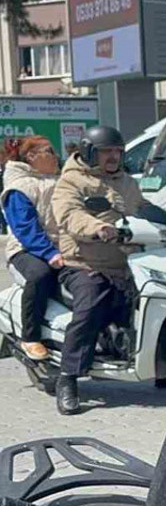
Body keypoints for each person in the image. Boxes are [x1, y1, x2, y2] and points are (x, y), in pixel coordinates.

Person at [51, 126, 146, 415]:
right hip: (84, 264)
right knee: (89, 308)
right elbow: (69, 215)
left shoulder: (127, 182)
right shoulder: (71, 182)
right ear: (90, 152)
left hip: (124, 263)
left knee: (152, 299)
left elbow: (143, 208)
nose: (114, 156)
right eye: (107, 151)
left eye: (118, 151)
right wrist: (98, 228)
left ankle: (163, 366)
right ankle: (67, 379)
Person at [1, 136, 64, 361]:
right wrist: (50, 253)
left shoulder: (61, 180)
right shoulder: (20, 187)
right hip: (27, 251)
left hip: (63, 247)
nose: (55, 156)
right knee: (40, 274)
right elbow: (25, 230)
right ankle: (31, 336)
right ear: (31, 157)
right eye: (49, 151)